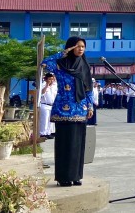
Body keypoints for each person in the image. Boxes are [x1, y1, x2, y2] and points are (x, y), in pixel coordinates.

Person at [42, 36, 95, 187]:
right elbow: (44, 62)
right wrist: (63, 53)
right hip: (63, 110)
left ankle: (76, 176)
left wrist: (90, 106)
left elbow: (89, 89)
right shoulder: (60, 65)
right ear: (71, 47)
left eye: (83, 47)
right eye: (77, 46)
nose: (80, 49)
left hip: (81, 109)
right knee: (65, 144)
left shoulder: (84, 66)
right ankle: (64, 177)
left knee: (78, 144)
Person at [38, 73, 57, 138]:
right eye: (49, 79)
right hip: (44, 105)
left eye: (52, 79)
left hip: (52, 105)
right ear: (46, 79)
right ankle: (43, 133)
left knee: (50, 120)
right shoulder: (43, 85)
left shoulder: (54, 86)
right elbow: (42, 93)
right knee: (44, 119)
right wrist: (47, 85)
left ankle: (48, 132)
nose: (51, 81)